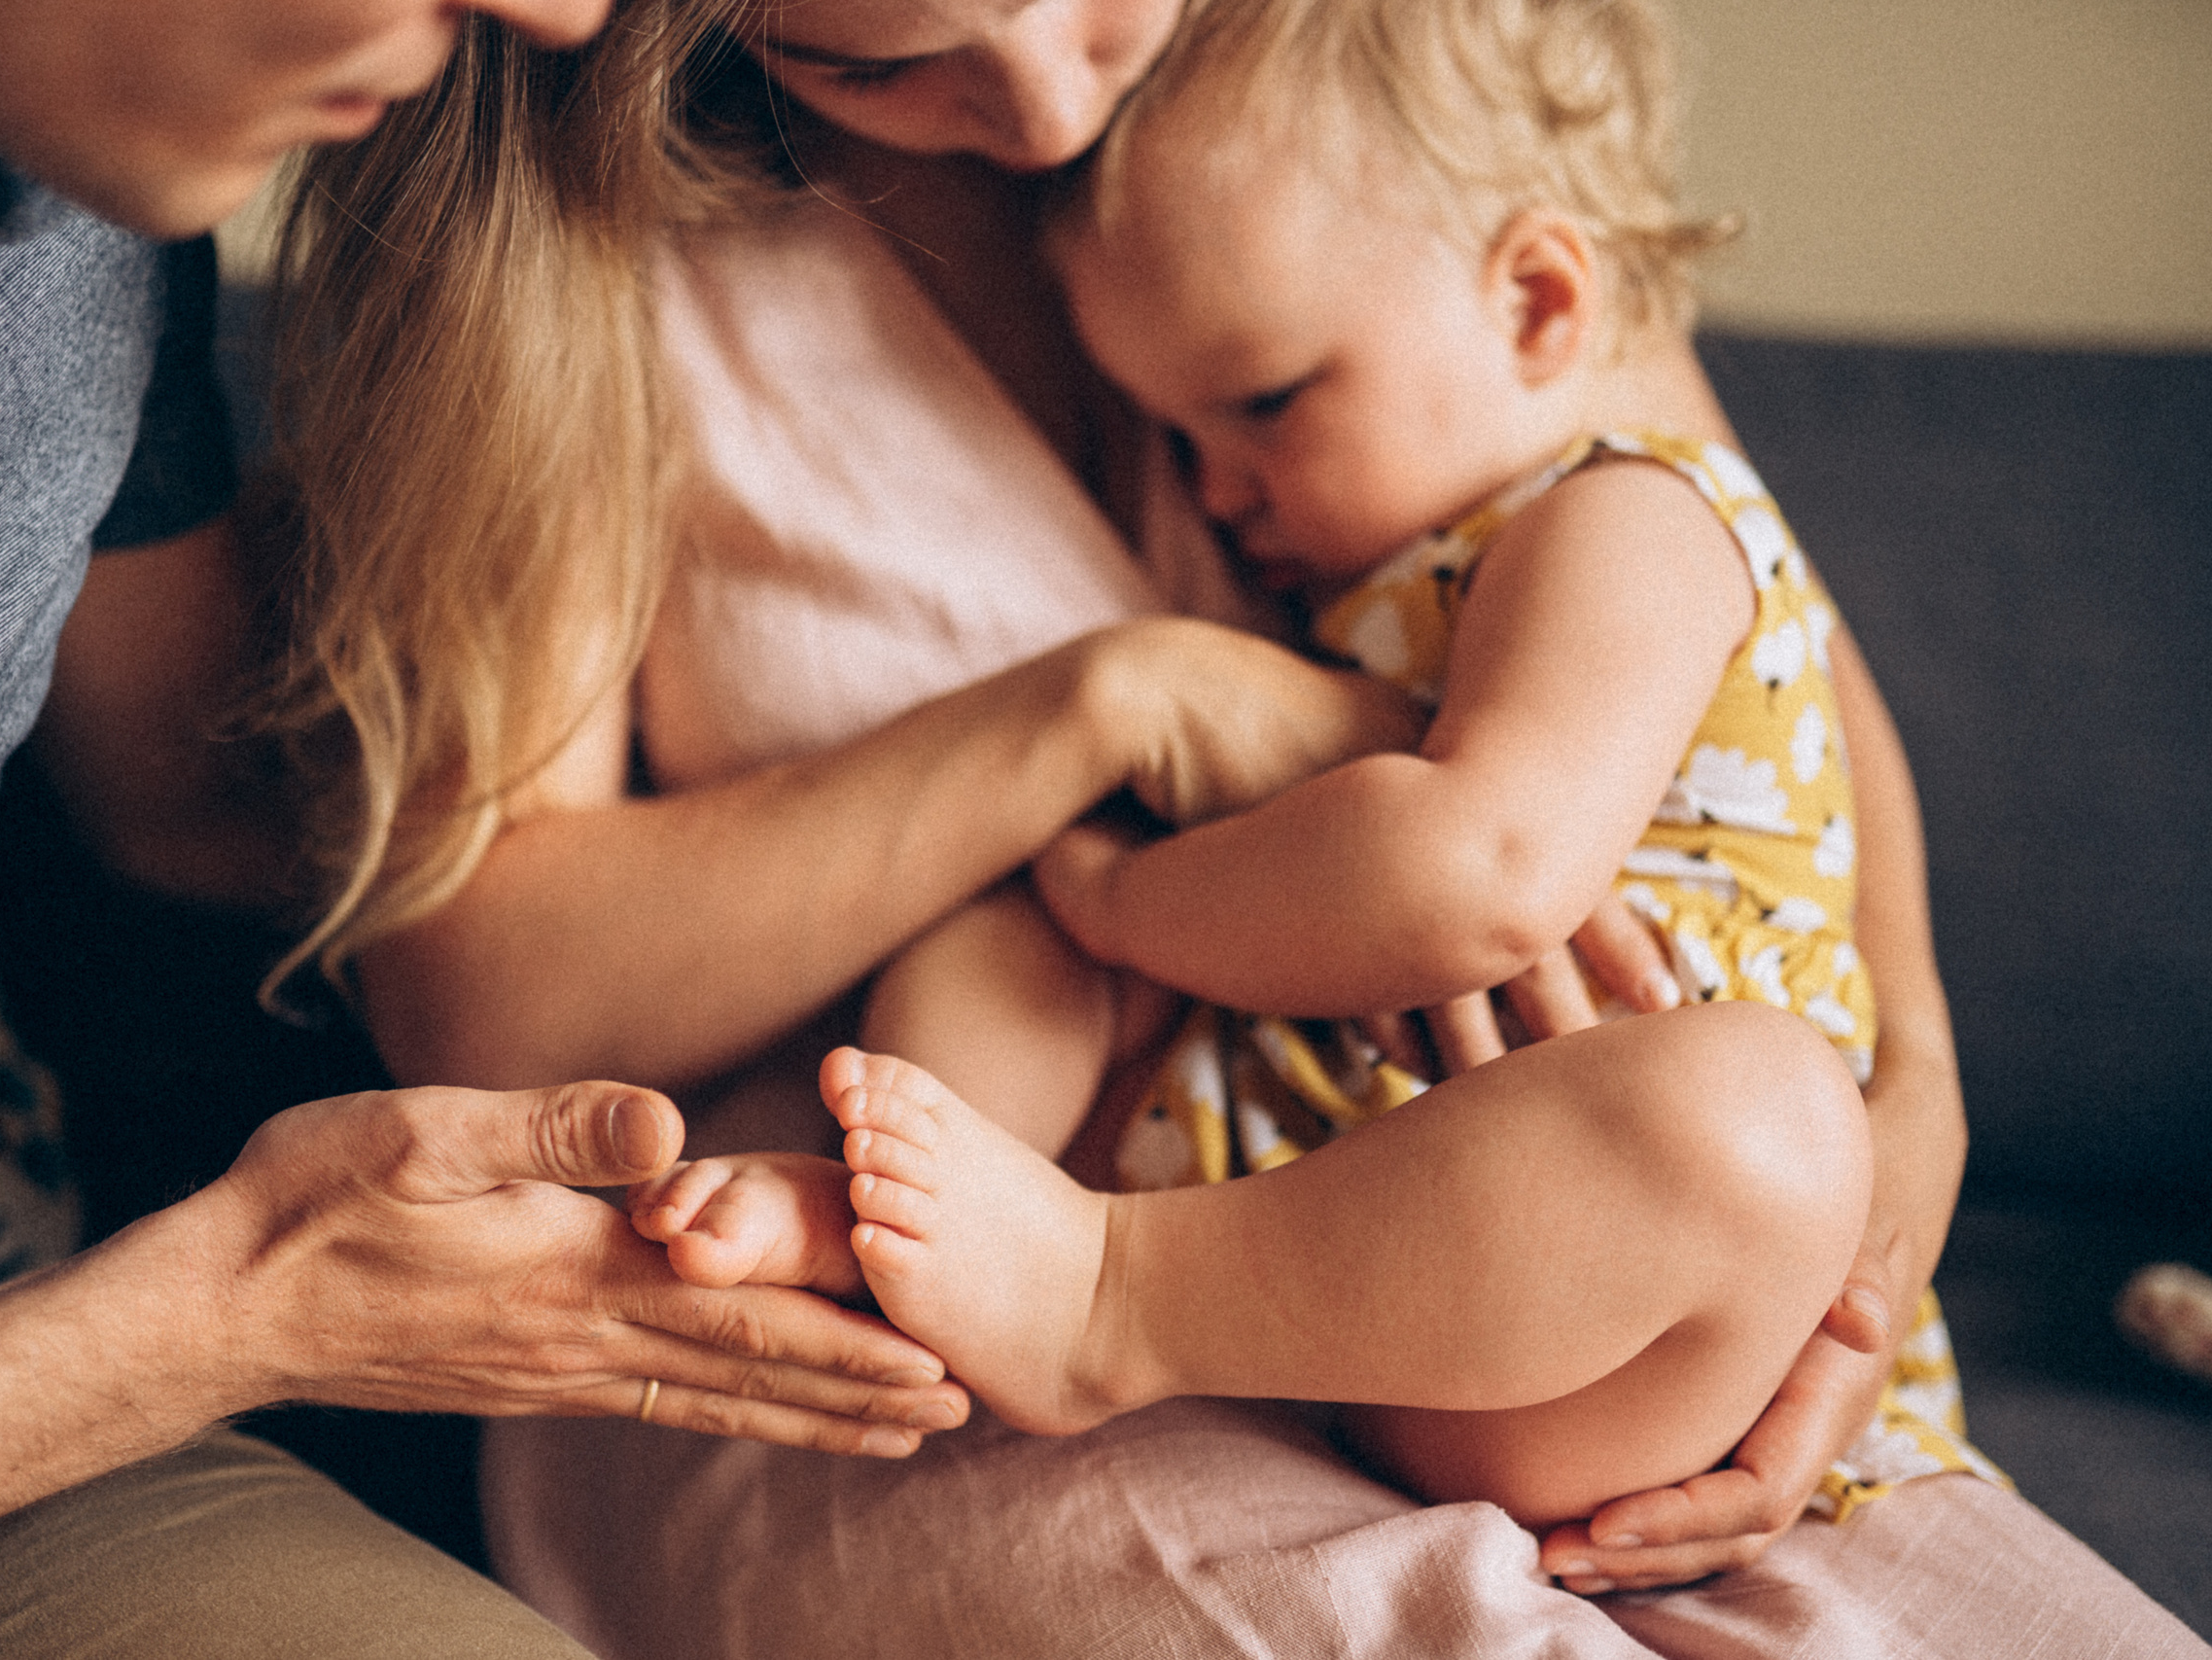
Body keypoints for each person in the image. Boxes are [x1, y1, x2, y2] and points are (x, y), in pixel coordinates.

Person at [308, 0, 2203, 1651]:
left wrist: (1918, 1077)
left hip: (1463, 1231)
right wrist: (1102, 712)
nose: (1053, 109)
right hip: (915, 1239)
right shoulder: (575, 244)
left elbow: (1729, 579)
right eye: (877, 54)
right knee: (1023, 934)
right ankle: (1013, 1265)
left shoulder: (1374, 108)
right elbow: (473, 996)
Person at [621, 0, 1981, 1534]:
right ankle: (880, 1215)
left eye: (1265, 406)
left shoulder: (1637, 518)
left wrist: (1123, 898)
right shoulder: (1384, 560)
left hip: (1574, 1319)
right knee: (997, 941)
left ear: (1540, 303)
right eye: (1176, 434)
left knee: (1758, 1122)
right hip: (1327, 1193)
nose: (1219, 491)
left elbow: (1477, 878)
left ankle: (1109, 1303)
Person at [0, 1, 983, 1654]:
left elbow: (202, 807)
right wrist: (230, 1311)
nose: (559, 15)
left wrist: (1045, 876)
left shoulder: (73, 189)